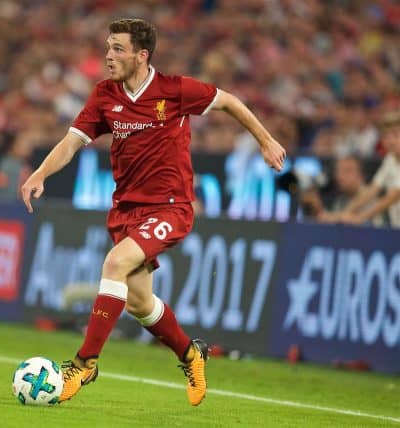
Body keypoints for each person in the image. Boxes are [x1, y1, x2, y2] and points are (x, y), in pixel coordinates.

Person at [21, 18, 286, 406]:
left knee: (114, 264)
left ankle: (85, 362)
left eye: (118, 49)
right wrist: (41, 173)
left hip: (171, 208)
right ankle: (191, 354)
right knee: (139, 303)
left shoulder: (175, 90)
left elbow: (229, 101)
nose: (109, 56)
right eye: (108, 47)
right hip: (126, 209)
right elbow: (72, 141)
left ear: (142, 56)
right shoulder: (104, 95)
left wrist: (266, 141)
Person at [336, 110, 400, 228]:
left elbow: (393, 196)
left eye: (395, 134)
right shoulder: (390, 159)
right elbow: (373, 189)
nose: (390, 140)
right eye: (386, 136)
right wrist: (345, 213)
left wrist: (361, 218)